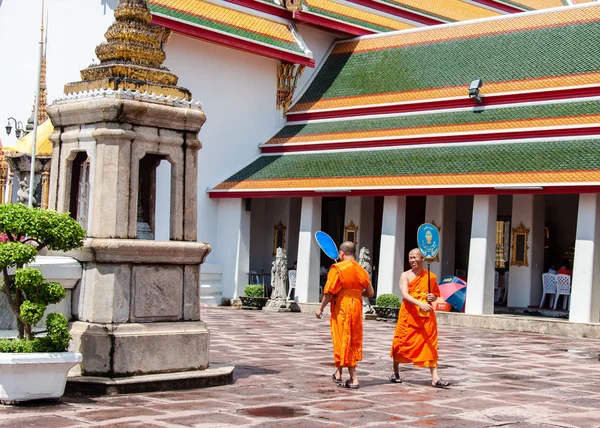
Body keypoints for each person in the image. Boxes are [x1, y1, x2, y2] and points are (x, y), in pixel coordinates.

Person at [316, 241, 374, 389]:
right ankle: (338, 373)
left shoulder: (337, 268)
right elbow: (370, 293)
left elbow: (329, 293)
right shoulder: (362, 270)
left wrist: (321, 308)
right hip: (356, 307)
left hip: (342, 307)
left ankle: (354, 378)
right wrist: (355, 292)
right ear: (354, 254)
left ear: (341, 254)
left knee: (343, 340)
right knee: (350, 339)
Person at [389, 248, 450, 388]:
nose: (413, 260)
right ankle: (395, 370)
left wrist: (431, 297)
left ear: (422, 259)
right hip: (408, 314)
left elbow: (436, 294)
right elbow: (405, 295)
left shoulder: (431, 277)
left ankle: (435, 377)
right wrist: (420, 303)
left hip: (425, 316)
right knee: (401, 342)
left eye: (415, 257)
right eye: (410, 258)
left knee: (430, 343)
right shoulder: (405, 275)